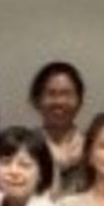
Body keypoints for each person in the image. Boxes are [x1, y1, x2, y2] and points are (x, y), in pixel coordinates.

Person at [29, 61, 88, 196]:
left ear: (80, 101)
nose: (59, 101)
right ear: (37, 100)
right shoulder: (25, 147)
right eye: (51, 94)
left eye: (67, 94)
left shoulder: (93, 148)